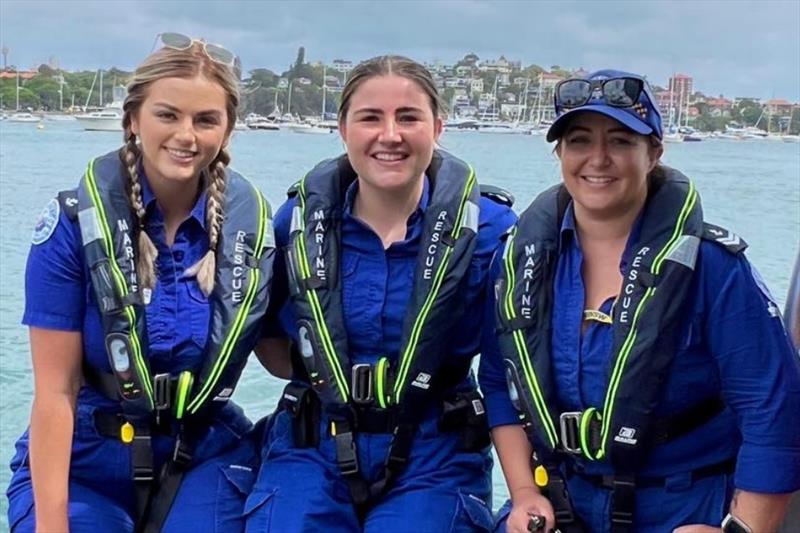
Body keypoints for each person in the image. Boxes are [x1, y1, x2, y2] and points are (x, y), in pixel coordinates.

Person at [480, 69, 800, 533]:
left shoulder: (713, 268)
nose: (599, 158)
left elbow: (773, 406)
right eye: (580, 140)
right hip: (564, 498)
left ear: (654, 153)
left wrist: (740, 529)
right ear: (559, 153)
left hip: (684, 504)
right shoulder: (517, 265)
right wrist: (525, 493)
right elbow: (498, 383)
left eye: (621, 141)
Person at [6, 33, 275, 532]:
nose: (186, 135)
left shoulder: (252, 236)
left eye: (206, 119)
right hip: (85, 460)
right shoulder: (72, 227)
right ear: (134, 119)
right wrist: (51, 524)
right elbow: (54, 393)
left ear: (228, 129)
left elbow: (281, 356)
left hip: (203, 453)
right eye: (168, 115)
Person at [245, 55, 517, 532]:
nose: (389, 135)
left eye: (408, 117)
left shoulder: (492, 232)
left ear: (437, 127)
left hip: (436, 446)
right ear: (343, 129)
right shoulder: (296, 225)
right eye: (370, 117)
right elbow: (268, 342)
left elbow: (513, 365)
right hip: (313, 440)